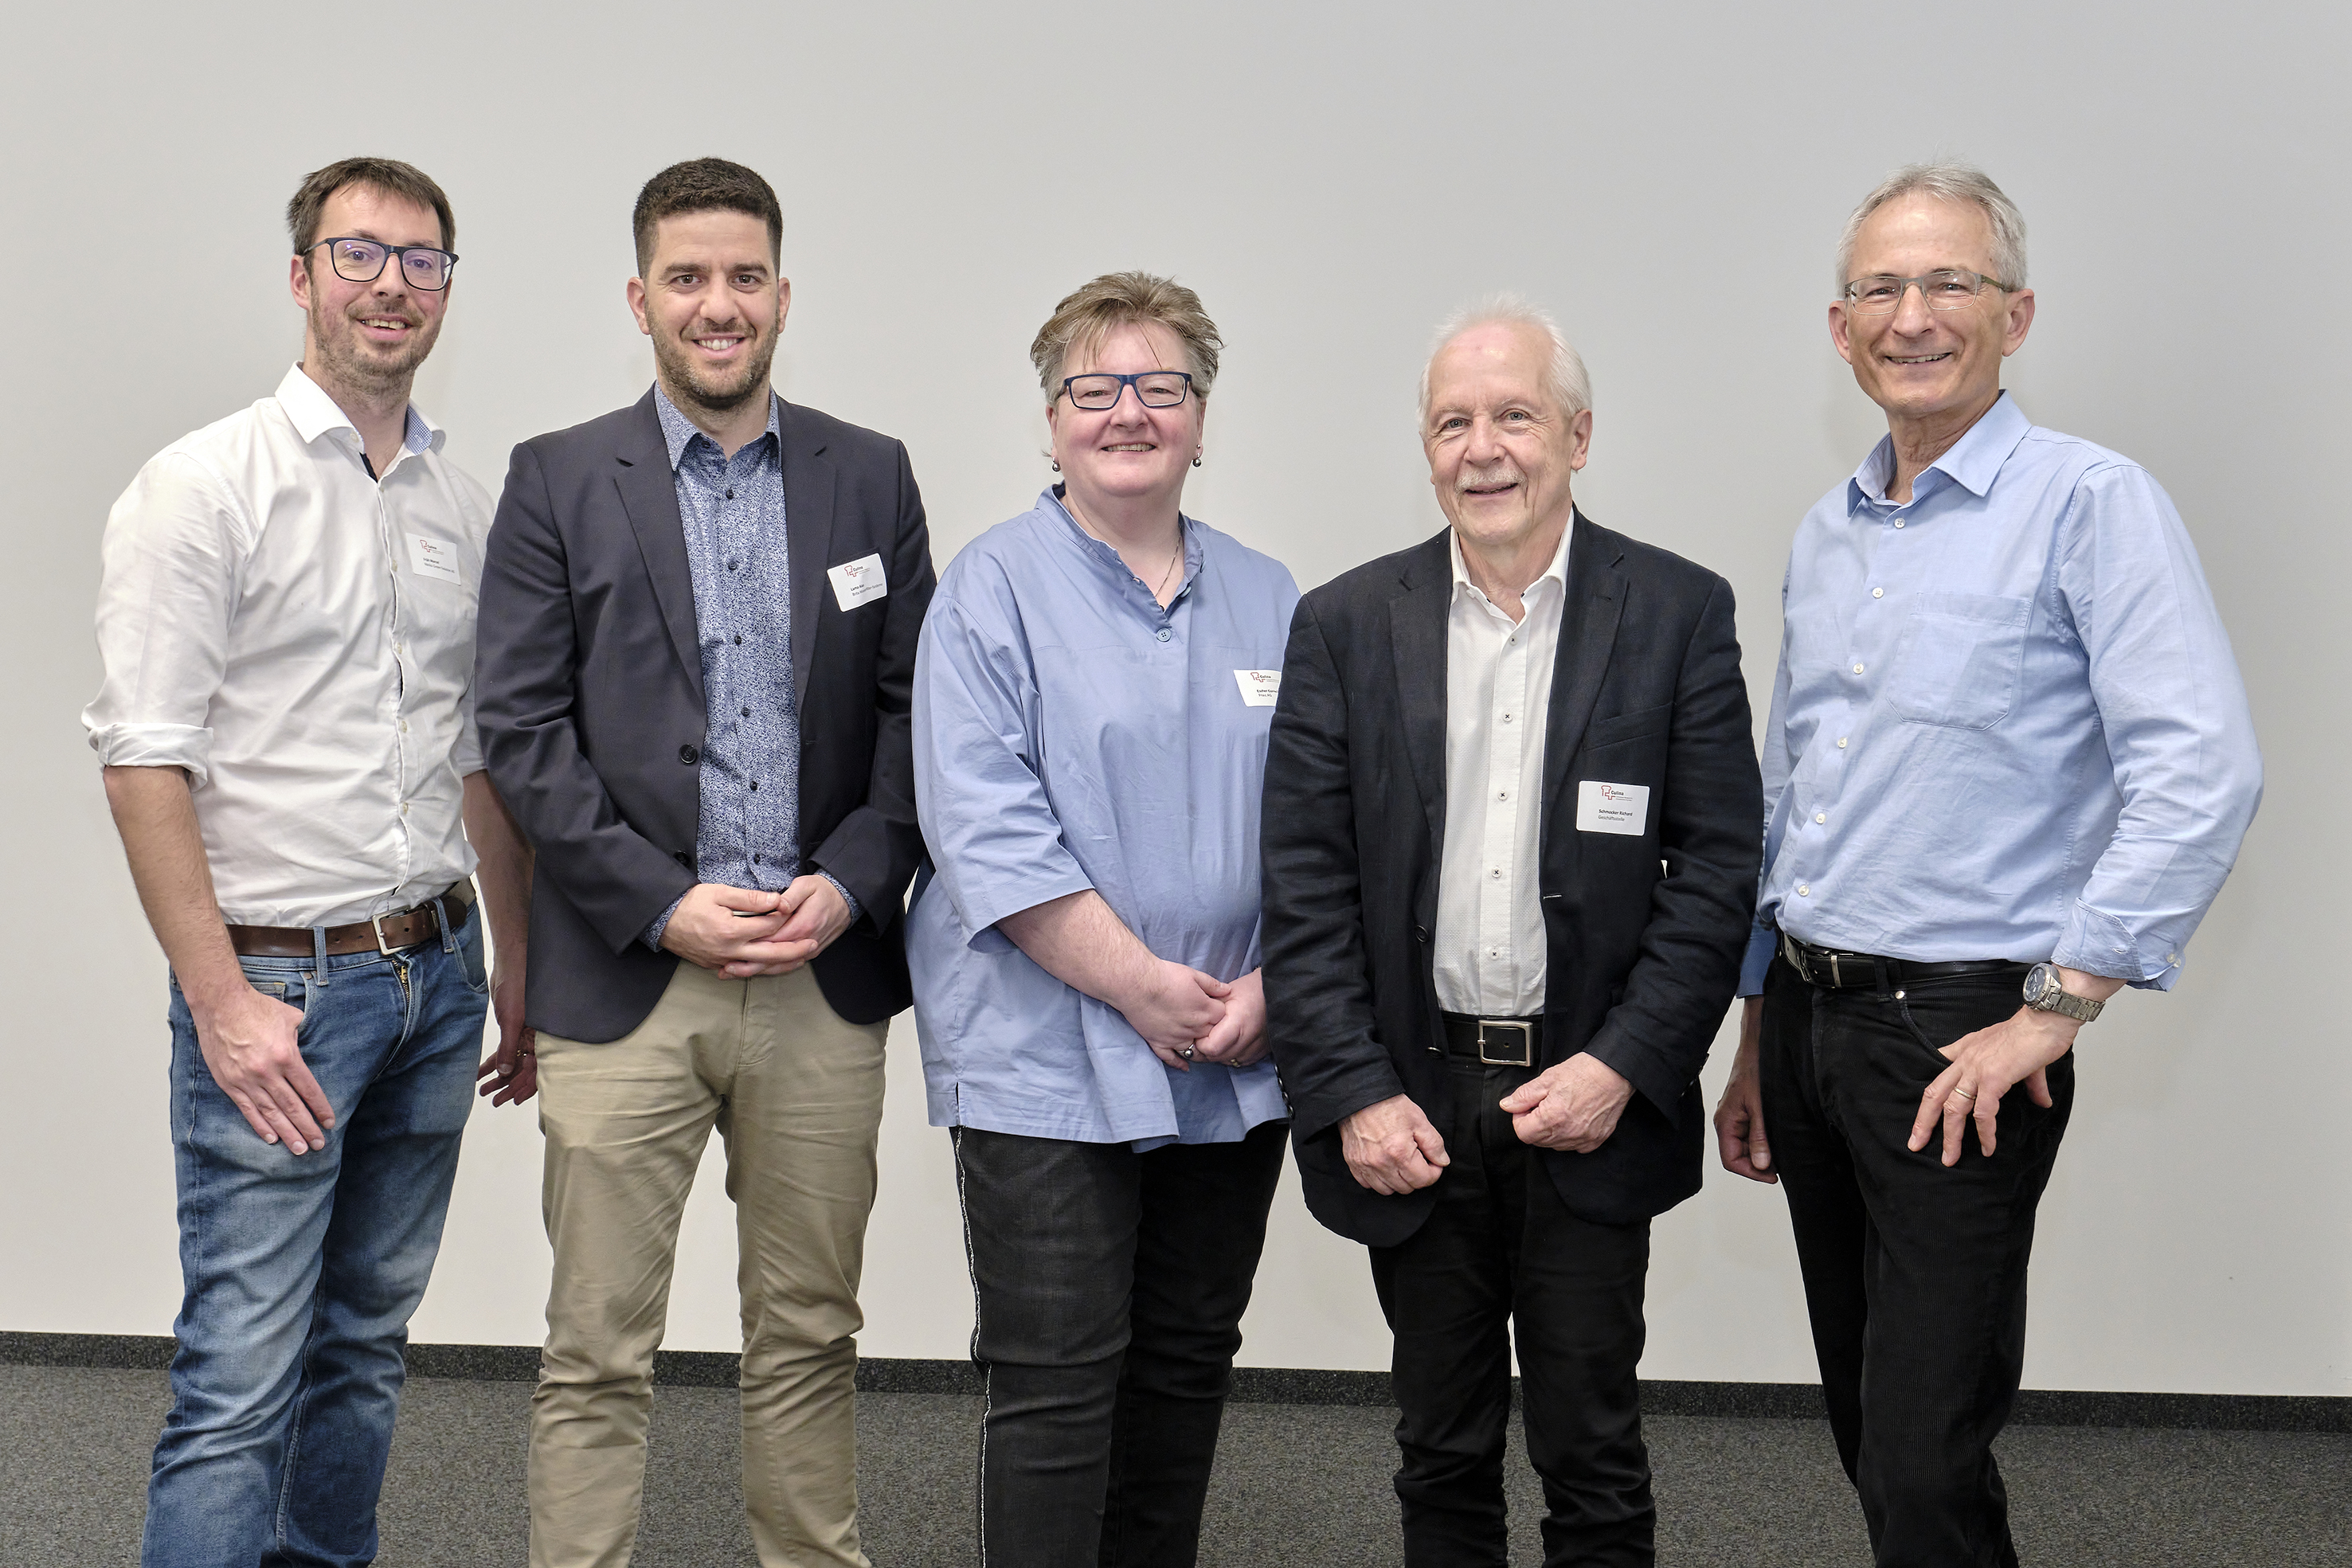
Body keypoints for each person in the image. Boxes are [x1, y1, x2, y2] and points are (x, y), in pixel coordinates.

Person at [1708, 163, 2262, 1566]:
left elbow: (2201, 769)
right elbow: (1791, 797)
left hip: (1958, 1036)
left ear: (2014, 315)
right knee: (1866, 1429)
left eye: (1948, 281)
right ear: (1838, 329)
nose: (1913, 315)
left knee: (1921, 1451)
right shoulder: (1826, 531)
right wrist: (1757, 1027)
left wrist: (2055, 1006)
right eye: (1880, 288)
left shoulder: (2090, 503)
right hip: (1811, 1022)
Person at [472, 158, 935, 1568]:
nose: (717, 304)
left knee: (809, 1330)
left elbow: (921, 715)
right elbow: (520, 730)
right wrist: (662, 904)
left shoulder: (870, 473)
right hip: (627, 979)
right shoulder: (557, 478)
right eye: (687, 278)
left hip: (818, 970)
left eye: (743, 277)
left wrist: (850, 881)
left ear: (783, 295)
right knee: (596, 1344)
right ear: (641, 299)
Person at [84, 155, 534, 1567]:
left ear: (446, 288)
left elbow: (475, 758)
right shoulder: (202, 487)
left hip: (435, 978)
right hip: (280, 991)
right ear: (301, 276)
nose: (391, 285)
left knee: (366, 1346)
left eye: (421, 260)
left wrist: (514, 966)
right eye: (359, 254)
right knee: (239, 1376)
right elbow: (143, 759)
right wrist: (221, 1002)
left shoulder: (459, 502)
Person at [1260, 299, 1762, 1566]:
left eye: (1514, 416)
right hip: (1411, 1106)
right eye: (1451, 422)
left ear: (1577, 437)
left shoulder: (1676, 611)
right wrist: (1352, 1091)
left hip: (1585, 1092)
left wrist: (1624, 1065)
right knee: (1438, 1449)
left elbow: (1715, 871)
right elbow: (1304, 884)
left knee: (1592, 1449)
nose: (1481, 448)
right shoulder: (1342, 623)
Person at [907, 272, 1295, 1566]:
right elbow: (984, 828)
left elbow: (1326, 824)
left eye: (1160, 385)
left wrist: (1273, 988)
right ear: (1052, 419)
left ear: (1201, 417)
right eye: (1094, 387)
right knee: (1058, 1384)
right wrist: (1138, 984)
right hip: (1045, 1055)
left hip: (1232, 1049)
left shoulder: (1270, 597)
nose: (1128, 411)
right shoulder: (988, 589)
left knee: (1184, 1364)